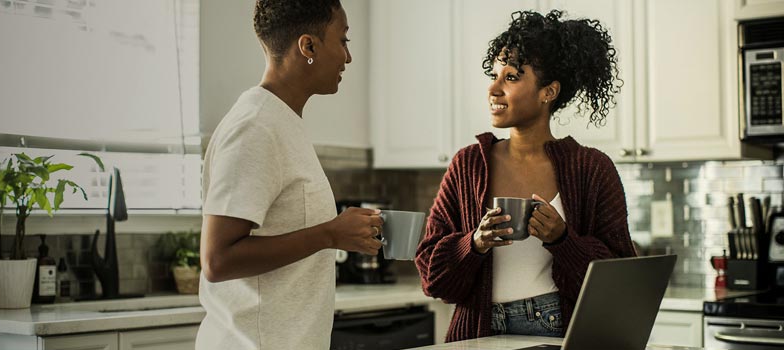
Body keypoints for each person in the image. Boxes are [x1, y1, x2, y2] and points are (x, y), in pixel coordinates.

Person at [415, 10, 636, 342]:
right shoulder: (467, 165)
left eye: (511, 77)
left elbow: (621, 282)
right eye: (494, 75)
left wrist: (563, 240)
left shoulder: (592, 168)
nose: (494, 88)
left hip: (557, 332)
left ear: (548, 91)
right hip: (476, 334)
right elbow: (432, 277)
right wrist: (473, 243)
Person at [196, 0, 381, 348]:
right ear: (308, 45)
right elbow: (217, 260)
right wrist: (330, 234)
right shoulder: (256, 127)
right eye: (343, 41)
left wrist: (334, 232)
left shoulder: (280, 122)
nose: (348, 57)